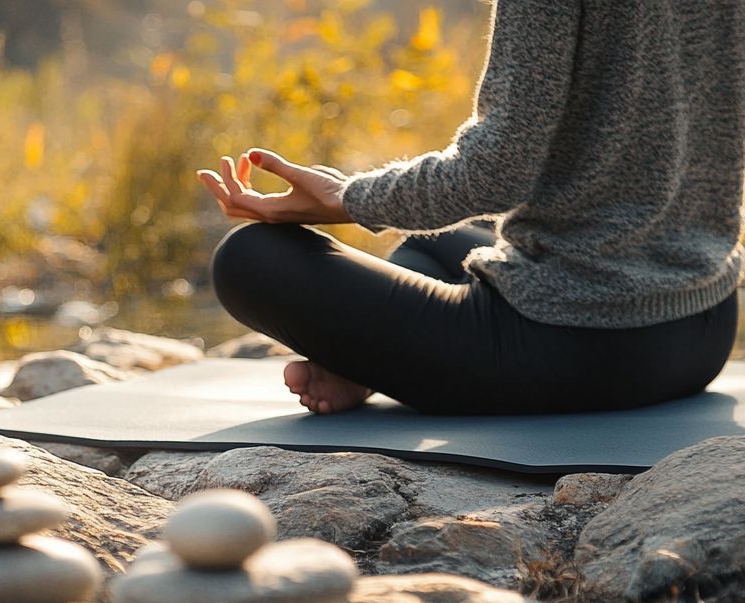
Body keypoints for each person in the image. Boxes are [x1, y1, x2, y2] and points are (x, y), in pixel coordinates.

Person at [198, 0, 744, 416]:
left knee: (250, 258)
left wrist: (347, 197)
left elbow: (498, 171)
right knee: (433, 244)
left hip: (586, 345)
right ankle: (366, 364)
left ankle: (370, 360)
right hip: (704, 324)